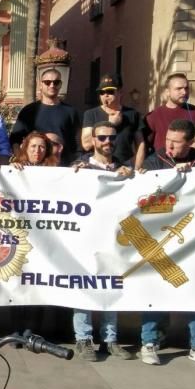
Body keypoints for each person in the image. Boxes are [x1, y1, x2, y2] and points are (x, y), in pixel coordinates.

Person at [134, 119, 195, 369]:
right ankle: (149, 342)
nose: (170, 146)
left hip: (194, 242)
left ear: (189, 143)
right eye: (168, 141)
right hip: (161, 240)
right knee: (155, 292)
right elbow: (145, 198)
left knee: (193, 293)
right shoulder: (156, 161)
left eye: (176, 142)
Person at [69, 121, 135, 361]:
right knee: (84, 287)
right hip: (86, 238)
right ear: (93, 141)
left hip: (115, 239)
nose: (108, 142)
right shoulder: (80, 169)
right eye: (103, 138)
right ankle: (83, 339)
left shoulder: (124, 169)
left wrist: (133, 177)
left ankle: (110, 339)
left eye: (112, 138)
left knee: (111, 287)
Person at [135, 72, 195, 169]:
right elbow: (143, 146)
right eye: (179, 89)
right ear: (167, 91)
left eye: (186, 88)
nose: (184, 92)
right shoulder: (153, 116)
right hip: (164, 168)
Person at [9, 68, 81, 166]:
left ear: (60, 85)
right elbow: (15, 140)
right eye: (47, 82)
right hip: (34, 168)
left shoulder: (71, 112)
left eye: (56, 82)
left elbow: (77, 144)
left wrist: (76, 162)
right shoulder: (29, 111)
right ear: (40, 85)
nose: (52, 85)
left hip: (63, 168)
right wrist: (20, 159)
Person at [80, 73, 141, 164]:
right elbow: (86, 145)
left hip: (124, 166)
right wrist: (110, 124)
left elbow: (140, 144)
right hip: (98, 166)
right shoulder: (91, 114)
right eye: (102, 92)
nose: (105, 95)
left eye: (110, 91)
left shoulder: (132, 114)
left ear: (120, 92)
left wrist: (137, 167)